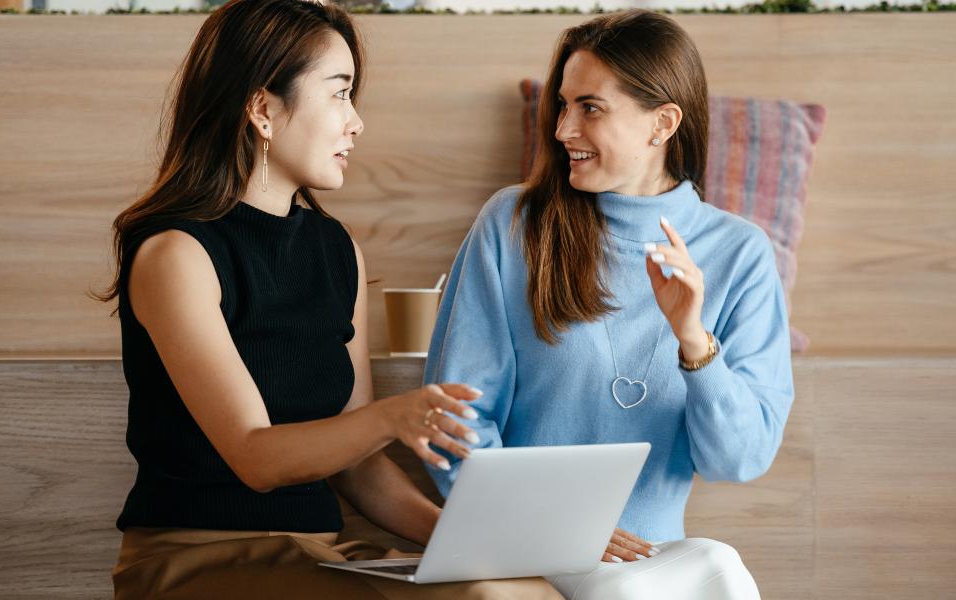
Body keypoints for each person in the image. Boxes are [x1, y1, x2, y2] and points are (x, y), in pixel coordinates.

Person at [95, 1, 561, 597]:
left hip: (319, 553)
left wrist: (478, 548)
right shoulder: (176, 255)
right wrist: (392, 415)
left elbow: (358, 466)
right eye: (339, 93)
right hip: (198, 556)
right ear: (263, 109)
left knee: (517, 591)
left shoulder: (337, 250)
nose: (357, 122)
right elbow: (255, 458)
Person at [425, 9, 794, 600]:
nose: (564, 129)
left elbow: (740, 460)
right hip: (523, 553)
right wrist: (553, 530)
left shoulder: (740, 254)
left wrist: (694, 343)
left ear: (662, 123)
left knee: (717, 566)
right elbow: (453, 423)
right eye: (562, 105)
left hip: (653, 565)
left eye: (590, 108)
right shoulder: (514, 225)